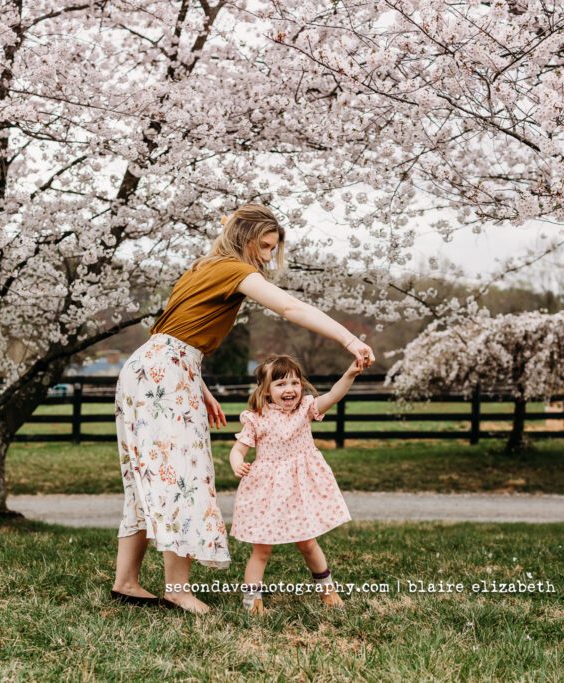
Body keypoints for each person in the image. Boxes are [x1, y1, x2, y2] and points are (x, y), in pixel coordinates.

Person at [111, 204, 375, 614]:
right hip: (168, 371)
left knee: (144, 476)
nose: (268, 256)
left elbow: (165, 332)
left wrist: (196, 383)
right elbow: (291, 308)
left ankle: (126, 582)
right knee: (182, 474)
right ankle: (176, 589)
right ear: (246, 239)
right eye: (265, 246)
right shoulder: (234, 270)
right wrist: (349, 340)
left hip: (147, 368)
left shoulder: (202, 267)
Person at [229, 355, 361, 615]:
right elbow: (238, 449)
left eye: (294, 383)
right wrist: (237, 463)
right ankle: (252, 601)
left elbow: (333, 395)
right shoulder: (257, 418)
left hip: (300, 488)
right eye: (280, 384)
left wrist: (350, 373)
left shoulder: (306, 409)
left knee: (308, 542)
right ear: (266, 390)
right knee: (262, 549)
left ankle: (328, 590)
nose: (289, 390)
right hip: (268, 490)